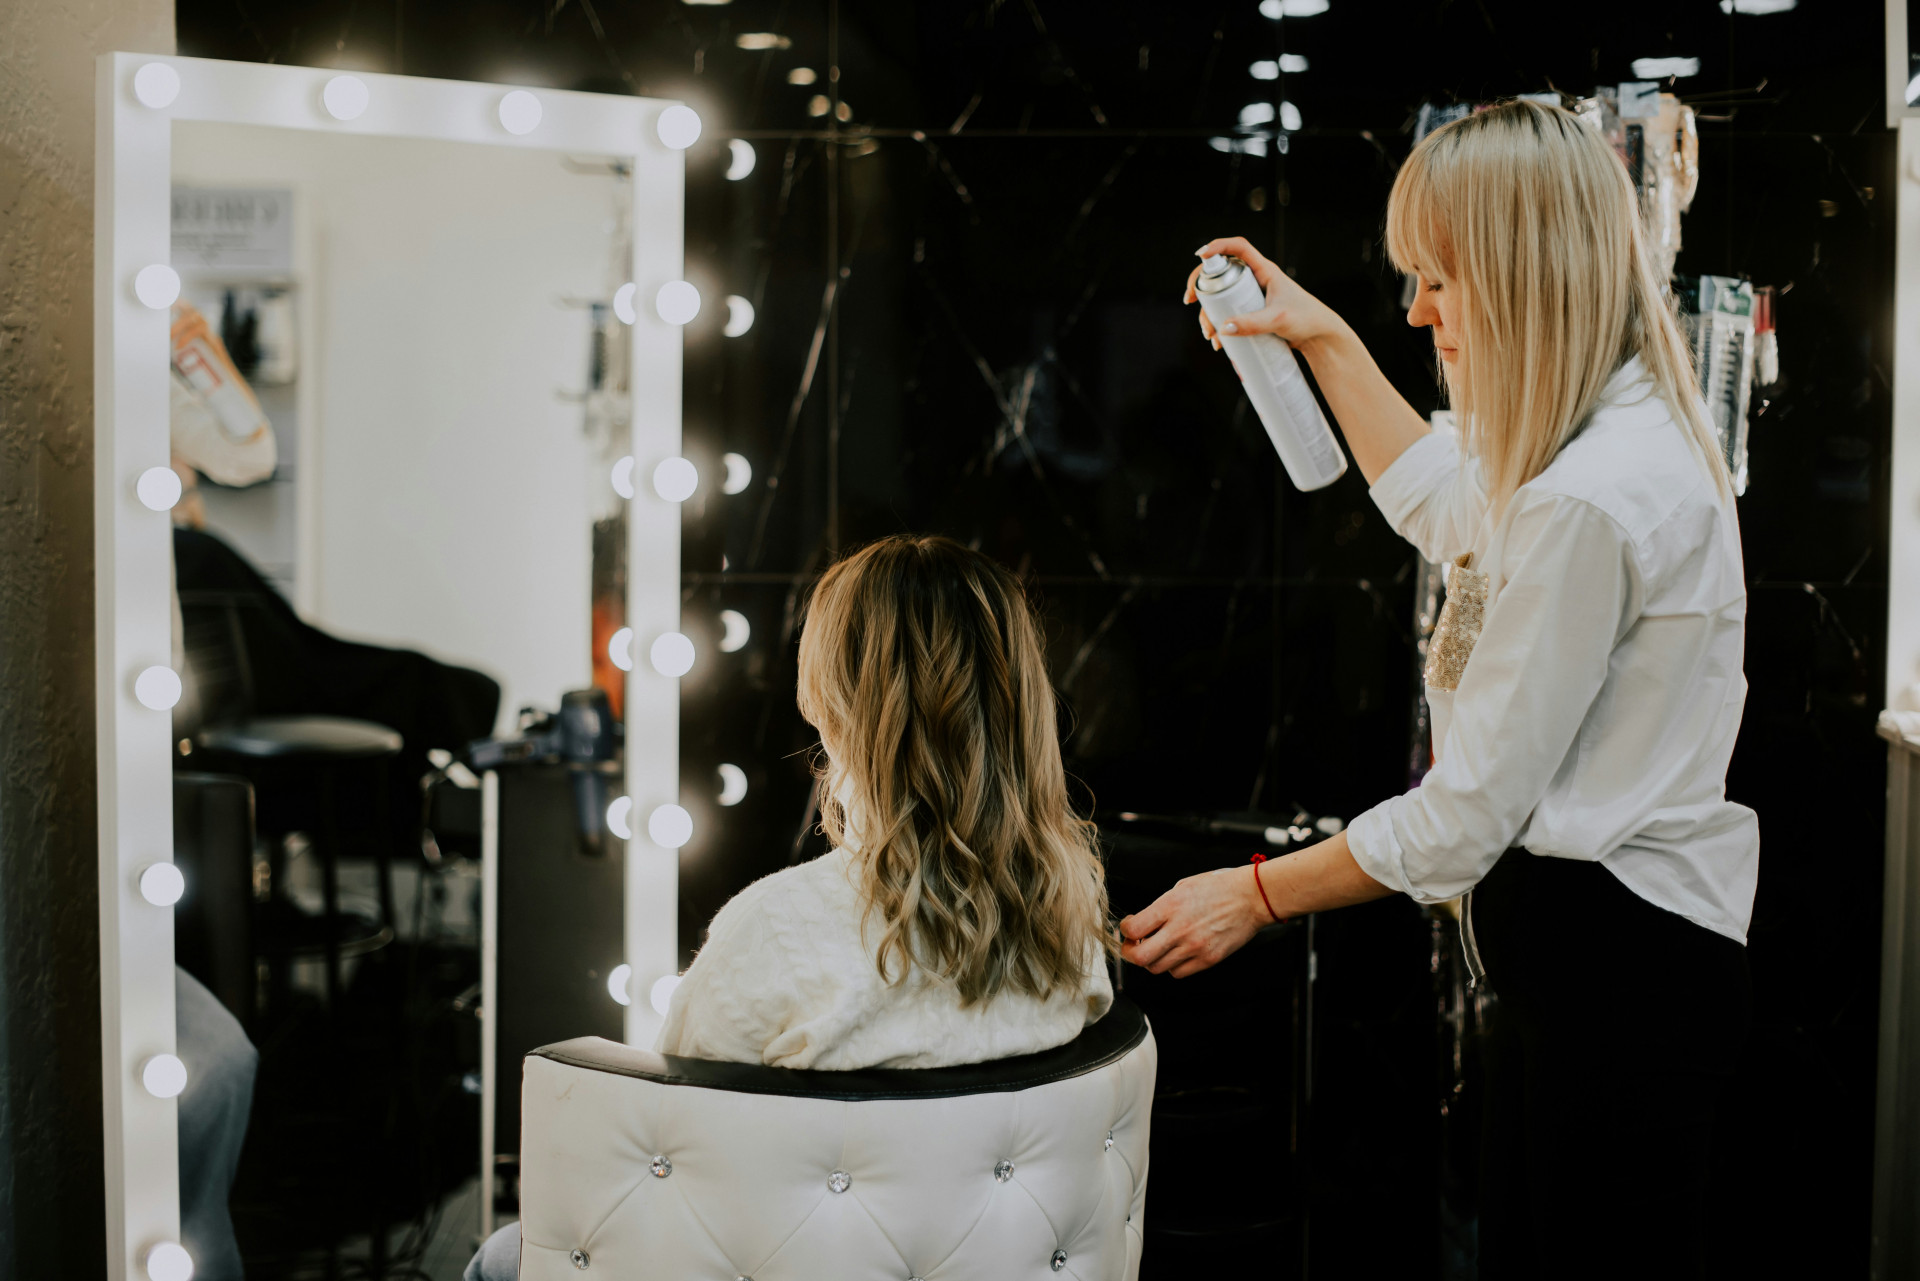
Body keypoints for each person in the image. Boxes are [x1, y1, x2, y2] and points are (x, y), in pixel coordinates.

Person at [1120, 99, 1755, 1278]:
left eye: (1439, 280)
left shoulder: (1592, 496)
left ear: (1525, 274)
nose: (1417, 311)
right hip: (1590, 975)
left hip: (1620, 985)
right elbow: (1440, 498)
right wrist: (1318, 335)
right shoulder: (1586, 447)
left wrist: (1253, 897)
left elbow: (1463, 820)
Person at [467, 534, 1115, 1281]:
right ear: (1021, 700)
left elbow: (659, 1159)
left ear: (836, 702)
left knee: (499, 1259)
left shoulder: (778, 932)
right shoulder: (1072, 919)